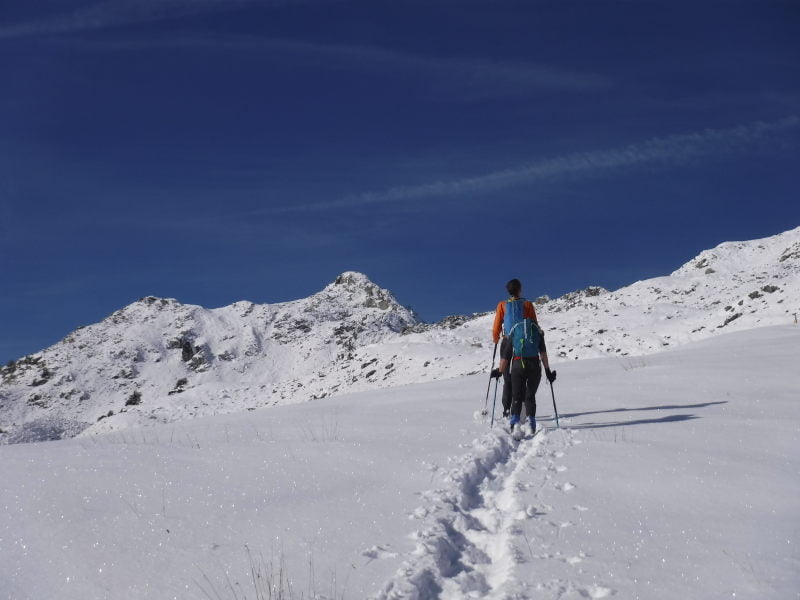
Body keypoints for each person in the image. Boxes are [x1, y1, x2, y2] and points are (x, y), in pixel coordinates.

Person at [491, 278, 556, 434]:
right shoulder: (527, 304)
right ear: (520, 290)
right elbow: (533, 324)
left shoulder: (502, 305)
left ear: (508, 291)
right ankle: (525, 413)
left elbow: (496, 327)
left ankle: (507, 410)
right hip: (525, 343)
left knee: (508, 378)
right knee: (526, 381)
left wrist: (496, 339)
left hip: (507, 340)